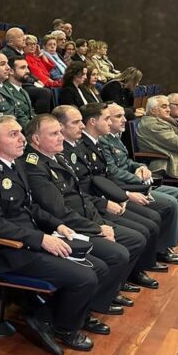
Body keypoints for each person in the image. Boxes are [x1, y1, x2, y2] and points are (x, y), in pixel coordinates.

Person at [0, 115, 98, 354]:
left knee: (95, 264)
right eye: (13, 134)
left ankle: (44, 316)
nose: (22, 139)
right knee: (85, 277)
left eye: (20, 133)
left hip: (30, 241)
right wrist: (41, 239)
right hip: (8, 251)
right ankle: (63, 328)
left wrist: (57, 226)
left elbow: (29, 207)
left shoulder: (16, 165)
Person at [23, 114, 143, 319]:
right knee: (118, 254)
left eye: (60, 132)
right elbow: (58, 210)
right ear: (36, 139)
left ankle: (103, 297)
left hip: (84, 218)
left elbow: (80, 196)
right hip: (64, 228)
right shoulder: (34, 166)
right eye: (54, 134)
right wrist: (97, 229)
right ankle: (90, 306)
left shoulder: (57, 157)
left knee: (135, 239)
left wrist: (100, 222)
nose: (61, 137)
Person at [55, 104, 163, 290]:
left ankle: (127, 277)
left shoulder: (78, 146)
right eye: (76, 122)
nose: (81, 126)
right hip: (87, 209)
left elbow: (99, 179)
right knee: (139, 234)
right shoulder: (63, 152)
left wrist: (122, 195)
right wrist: (108, 203)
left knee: (148, 225)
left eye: (81, 121)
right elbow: (76, 192)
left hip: (96, 202)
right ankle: (119, 284)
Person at [77, 102, 178, 265]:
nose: (112, 122)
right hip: (106, 196)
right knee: (151, 221)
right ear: (93, 121)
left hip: (115, 190)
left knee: (160, 212)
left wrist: (140, 167)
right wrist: (124, 194)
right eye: (109, 118)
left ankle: (158, 253)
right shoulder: (85, 146)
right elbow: (100, 178)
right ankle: (147, 262)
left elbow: (118, 166)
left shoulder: (100, 141)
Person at [138, 95, 178, 208]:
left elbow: (173, 143)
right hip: (164, 163)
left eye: (168, 106)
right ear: (153, 110)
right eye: (164, 107)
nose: (168, 109)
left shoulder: (160, 121)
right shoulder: (154, 124)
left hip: (173, 157)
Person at [6, 56, 35, 128]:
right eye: (23, 68)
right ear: (11, 71)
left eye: (27, 67)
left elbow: (31, 114)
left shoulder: (23, 91)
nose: (27, 71)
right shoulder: (6, 91)